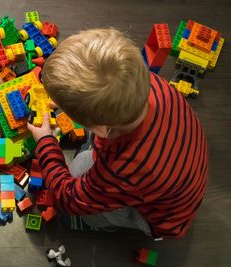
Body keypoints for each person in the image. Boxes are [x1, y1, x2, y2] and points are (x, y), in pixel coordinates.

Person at [27, 28, 209, 239]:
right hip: (180, 168)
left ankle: (98, 223)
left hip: (161, 218)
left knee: (77, 171)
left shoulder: (124, 168)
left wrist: (46, 142)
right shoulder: (153, 85)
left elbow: (68, 198)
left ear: (102, 129)